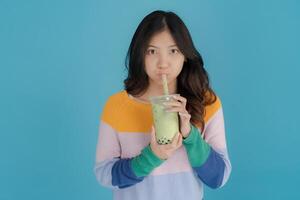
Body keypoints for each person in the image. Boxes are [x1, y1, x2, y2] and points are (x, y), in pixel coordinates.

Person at [94, 10, 231, 200]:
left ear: (185, 55)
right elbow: (104, 174)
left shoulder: (206, 103)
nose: (163, 63)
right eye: (152, 51)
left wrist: (191, 136)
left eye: (173, 51)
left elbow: (219, 177)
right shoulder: (116, 106)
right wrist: (151, 157)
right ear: (140, 55)